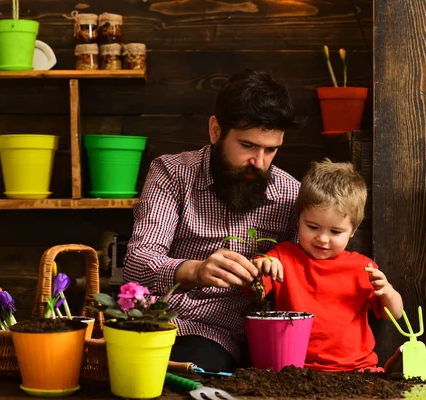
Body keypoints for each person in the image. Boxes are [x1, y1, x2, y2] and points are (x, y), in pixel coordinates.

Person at [123, 69, 301, 371]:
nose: (259, 162)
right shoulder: (173, 174)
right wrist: (195, 270)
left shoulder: (290, 194)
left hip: (245, 336)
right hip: (171, 323)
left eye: (271, 150)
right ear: (216, 130)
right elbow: (137, 264)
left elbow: (305, 279)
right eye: (247, 146)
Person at [253, 159, 404, 372]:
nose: (322, 239)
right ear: (299, 219)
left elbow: (394, 314)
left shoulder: (364, 268)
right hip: (294, 368)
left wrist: (387, 291)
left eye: (335, 232)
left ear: (353, 230)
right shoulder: (284, 256)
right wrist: (262, 266)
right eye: (313, 227)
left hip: (356, 369)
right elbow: (252, 286)